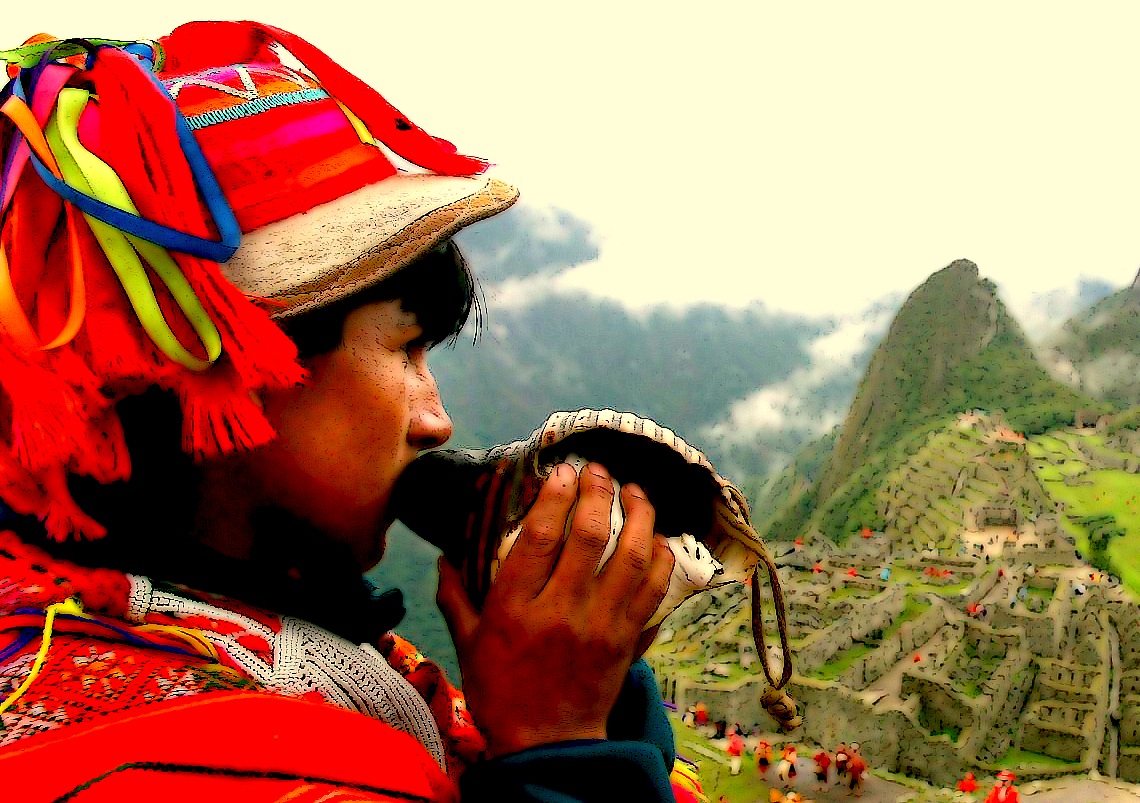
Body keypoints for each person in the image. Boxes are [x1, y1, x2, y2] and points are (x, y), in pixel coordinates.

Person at [0, 21, 744, 803]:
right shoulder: (182, 769)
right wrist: (558, 742)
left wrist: (589, 679)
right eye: (407, 351)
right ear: (241, 373)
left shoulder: (241, 635)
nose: (436, 420)